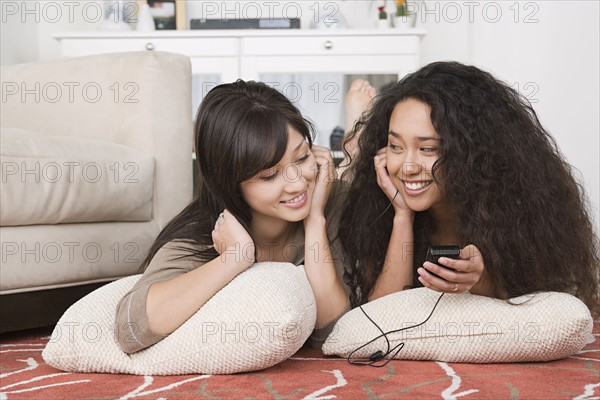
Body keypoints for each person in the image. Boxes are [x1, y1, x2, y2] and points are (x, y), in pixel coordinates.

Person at [339, 61, 599, 315]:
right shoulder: (373, 205)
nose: (407, 167)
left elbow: (538, 303)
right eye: (395, 146)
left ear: (471, 153)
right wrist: (402, 216)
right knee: (344, 179)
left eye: (428, 149)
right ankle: (354, 141)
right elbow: (376, 317)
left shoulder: (519, 207)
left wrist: (480, 280)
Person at [115, 80, 350, 353]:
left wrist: (315, 221)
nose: (297, 183)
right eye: (270, 175)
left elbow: (334, 334)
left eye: (301, 158)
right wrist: (234, 258)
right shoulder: (201, 234)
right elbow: (130, 331)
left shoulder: (328, 197)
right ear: (229, 184)